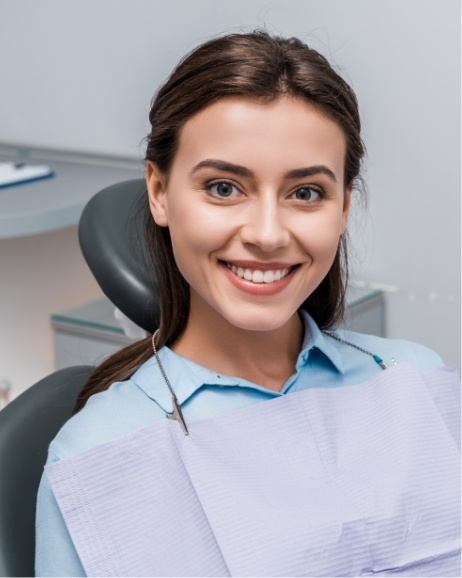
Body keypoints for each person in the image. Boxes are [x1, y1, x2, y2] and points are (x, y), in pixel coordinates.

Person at [35, 31, 460, 577]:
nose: (266, 234)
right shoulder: (97, 454)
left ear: (344, 207)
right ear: (160, 192)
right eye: (223, 187)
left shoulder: (411, 380)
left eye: (305, 193)